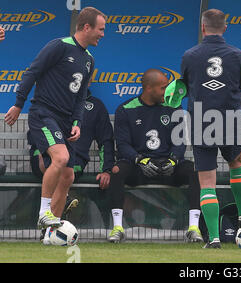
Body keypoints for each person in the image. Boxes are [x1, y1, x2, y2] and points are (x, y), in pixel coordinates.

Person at [4, 7, 106, 230]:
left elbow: (80, 97)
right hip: (43, 114)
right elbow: (32, 73)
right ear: (86, 27)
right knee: (60, 158)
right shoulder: (59, 46)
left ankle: (51, 232)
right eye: (100, 29)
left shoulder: (89, 59)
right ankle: (43, 213)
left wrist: (77, 123)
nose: (103, 34)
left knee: (68, 175)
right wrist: (19, 104)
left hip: (66, 121)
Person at [180, 8, 241, 249]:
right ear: (225, 28)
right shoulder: (238, 55)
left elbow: (185, 87)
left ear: (203, 28)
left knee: (207, 182)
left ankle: (213, 238)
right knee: (236, 164)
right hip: (230, 116)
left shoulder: (189, 55)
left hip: (202, 119)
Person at [107, 69, 202, 243]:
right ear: (149, 88)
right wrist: (139, 159)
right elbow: (122, 145)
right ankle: (117, 228)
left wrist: (173, 160)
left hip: (168, 167)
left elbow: (180, 142)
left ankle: (194, 228)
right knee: (116, 171)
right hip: (139, 167)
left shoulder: (173, 106)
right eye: (163, 88)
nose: (168, 92)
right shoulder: (125, 109)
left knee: (194, 171)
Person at [28, 87, 115, 243]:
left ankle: (49, 231)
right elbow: (34, 132)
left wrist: (106, 170)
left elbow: (106, 140)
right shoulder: (51, 101)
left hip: (75, 162)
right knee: (54, 161)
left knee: (64, 165)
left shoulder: (96, 106)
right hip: (44, 157)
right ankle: (56, 215)